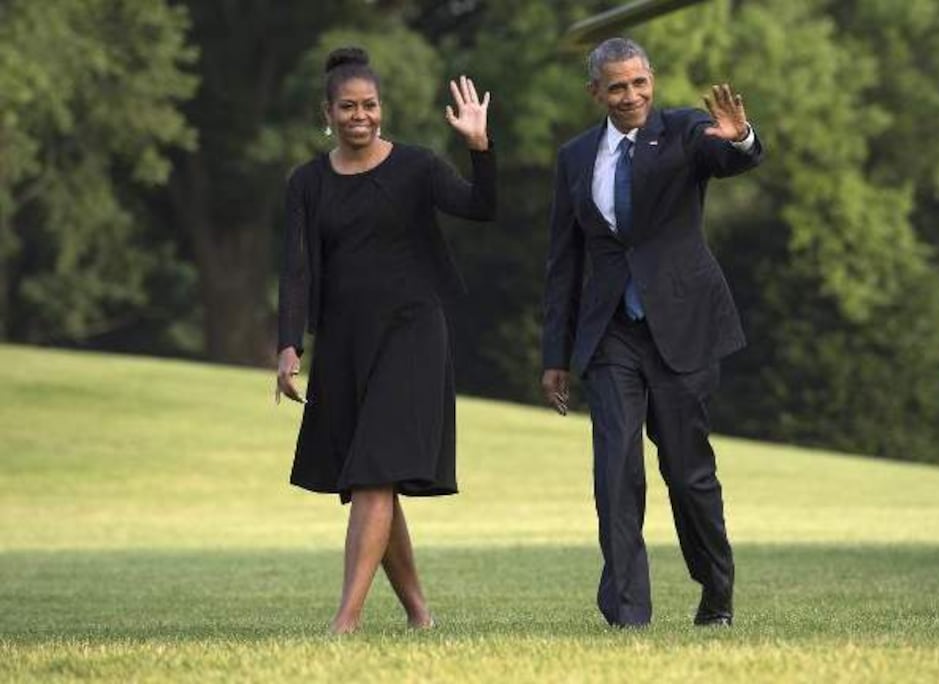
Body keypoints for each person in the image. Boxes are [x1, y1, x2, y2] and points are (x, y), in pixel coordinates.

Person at [540, 37, 763, 627]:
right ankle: (628, 611)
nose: (631, 94)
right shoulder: (575, 156)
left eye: (639, 82)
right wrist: (555, 354)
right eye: (617, 86)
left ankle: (716, 596)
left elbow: (730, 158)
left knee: (688, 474)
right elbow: (564, 261)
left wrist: (739, 138)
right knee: (615, 469)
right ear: (596, 92)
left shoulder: (687, 131)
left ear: (652, 80)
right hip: (611, 333)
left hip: (684, 328)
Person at [275, 47, 494, 634]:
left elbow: (480, 207)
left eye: (369, 105)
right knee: (375, 478)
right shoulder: (307, 182)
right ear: (328, 111)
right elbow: (296, 268)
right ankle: (420, 615)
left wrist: (478, 147)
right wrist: (288, 344)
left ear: (382, 108)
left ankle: (343, 622)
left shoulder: (418, 168)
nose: (359, 115)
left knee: (373, 474)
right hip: (346, 343)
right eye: (347, 106)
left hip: (414, 335)